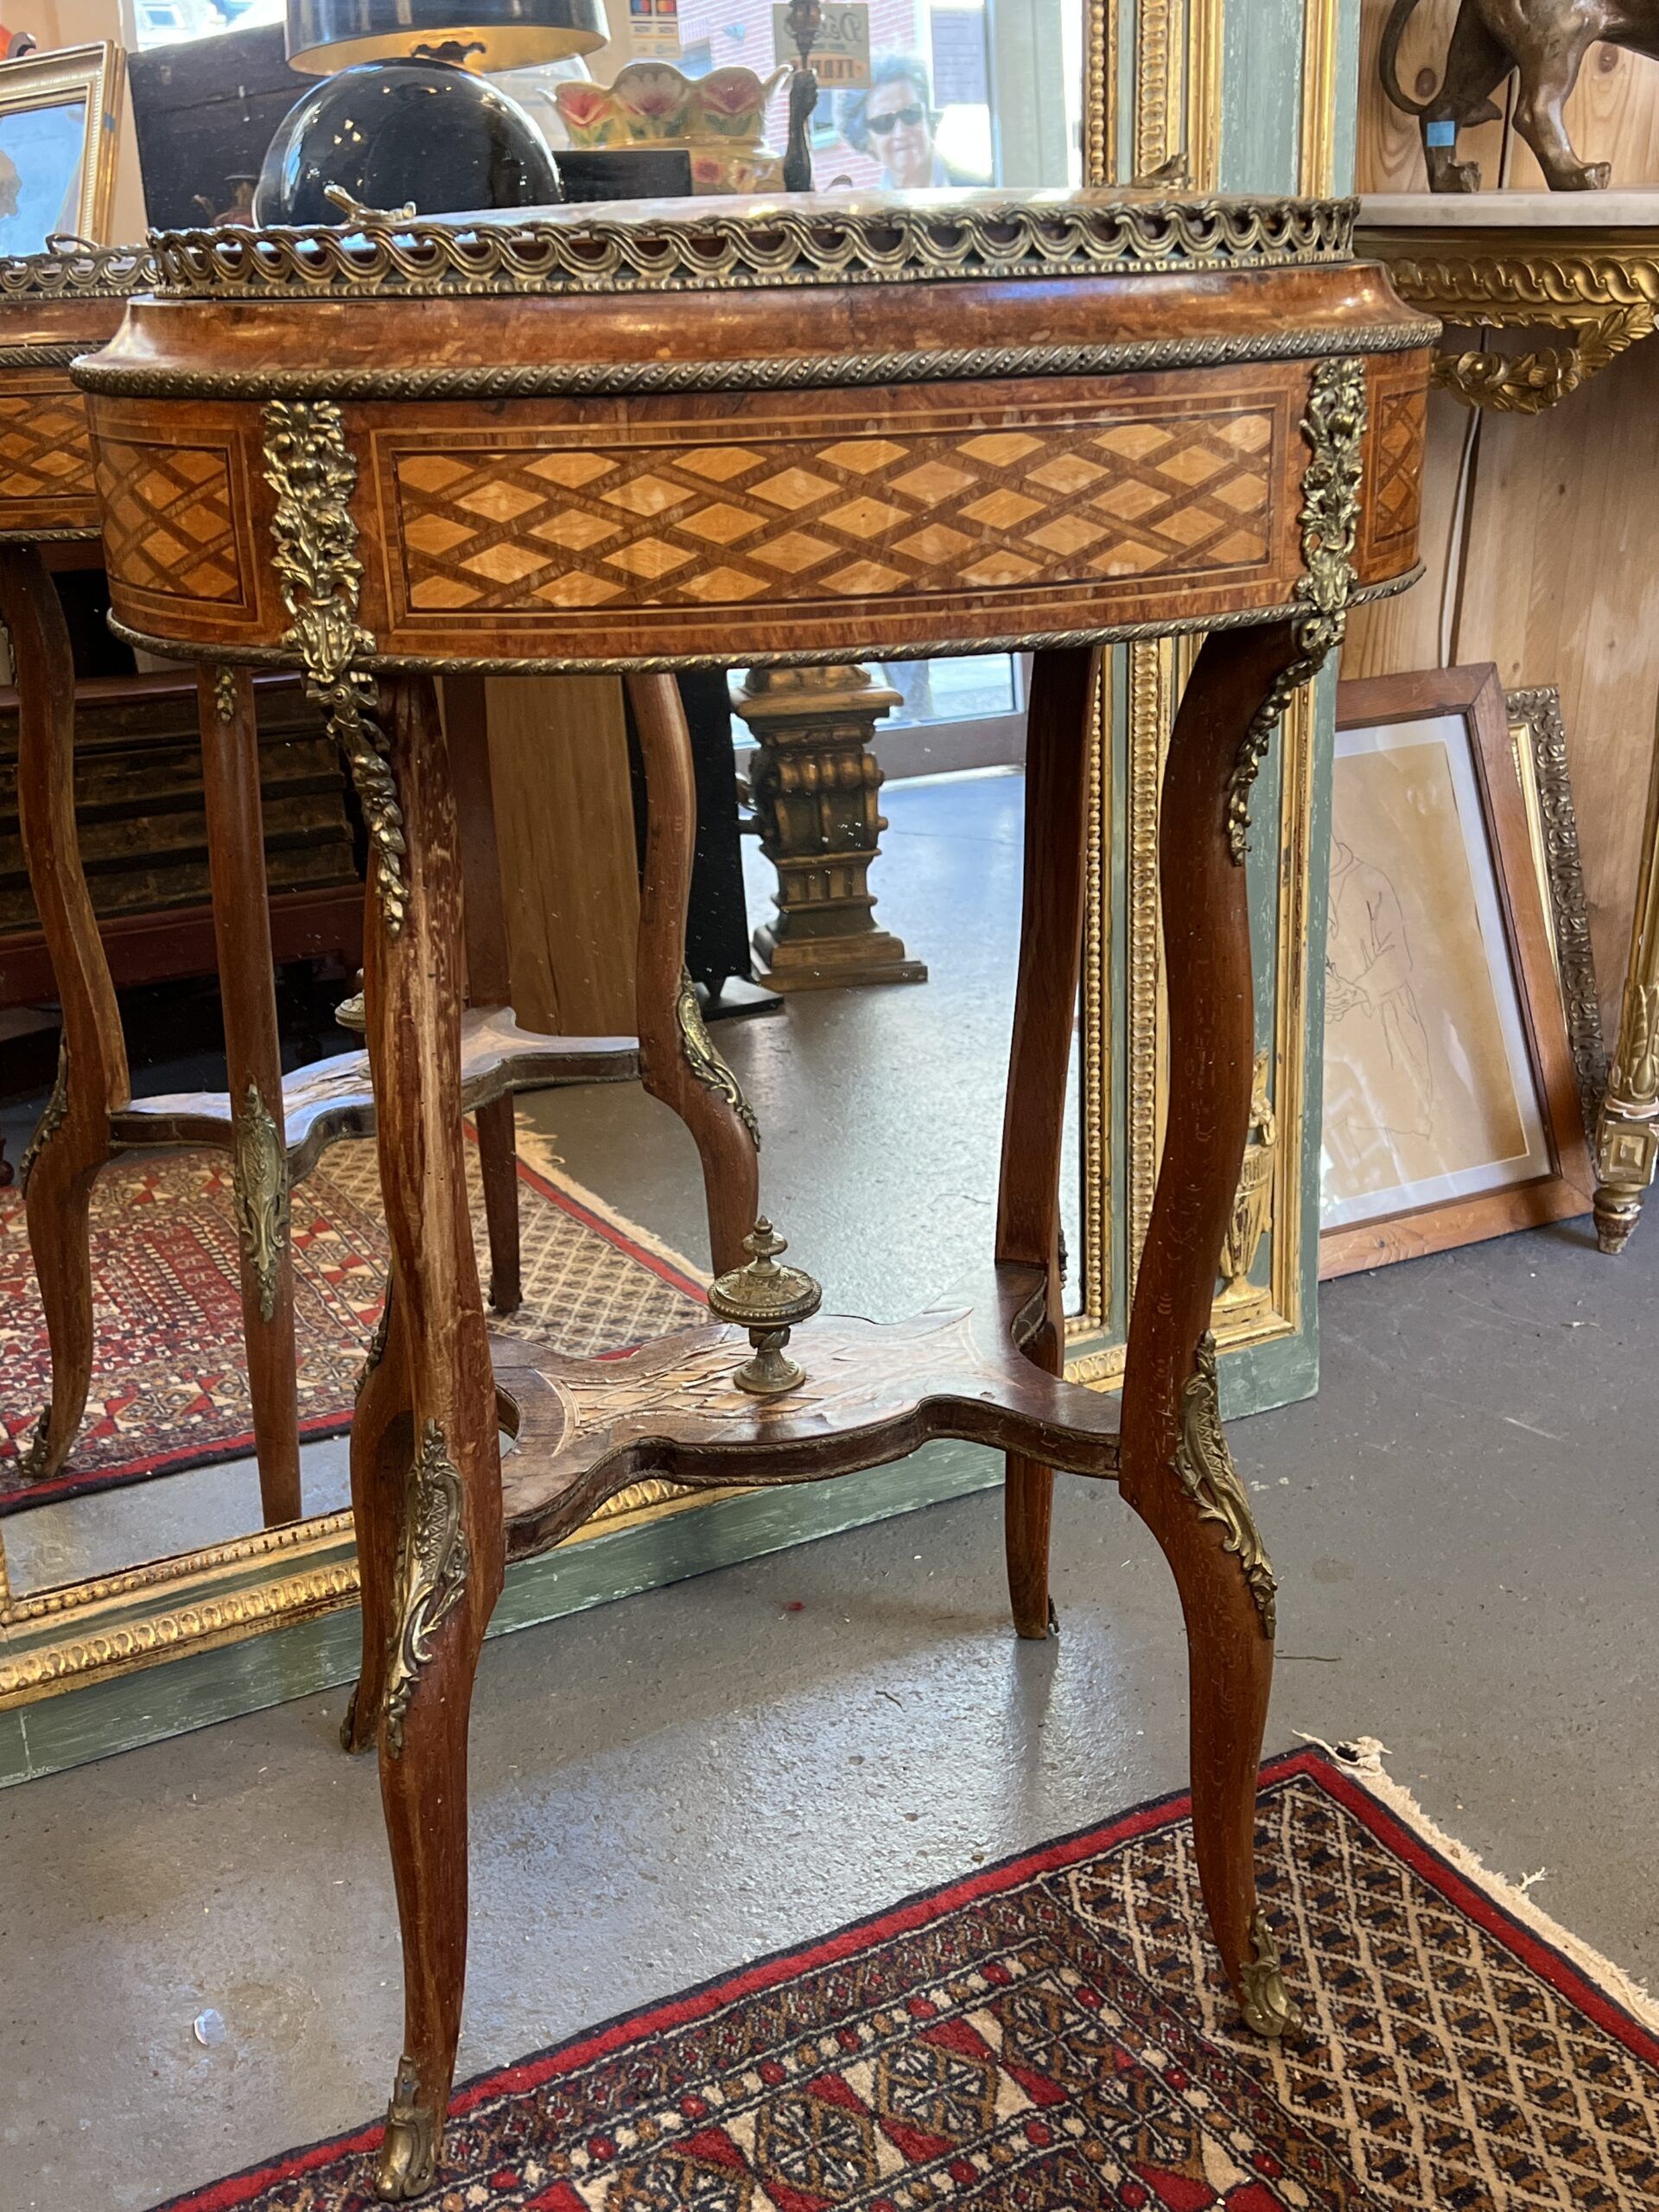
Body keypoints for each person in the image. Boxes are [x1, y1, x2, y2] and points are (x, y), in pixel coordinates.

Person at [840, 56, 987, 190]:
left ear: (929, 118)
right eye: (883, 122)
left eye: (910, 113)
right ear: (866, 140)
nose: (901, 132)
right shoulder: (867, 212)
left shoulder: (983, 192)